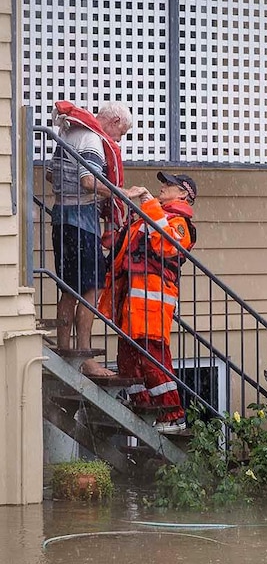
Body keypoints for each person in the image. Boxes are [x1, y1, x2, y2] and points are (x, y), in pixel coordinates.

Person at [100, 172, 198, 433]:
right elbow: (119, 248)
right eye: (163, 184)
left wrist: (147, 202)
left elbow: (169, 247)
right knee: (128, 360)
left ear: (184, 194)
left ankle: (173, 415)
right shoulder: (149, 216)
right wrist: (115, 213)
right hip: (131, 303)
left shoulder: (179, 223)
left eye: (169, 185)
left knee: (154, 359)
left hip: (152, 304)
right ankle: (141, 405)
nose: (162, 188)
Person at [47, 101, 133, 377]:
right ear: (115, 120)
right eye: (123, 132)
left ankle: (63, 348)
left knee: (69, 288)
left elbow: (51, 174)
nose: (119, 139)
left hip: (62, 218)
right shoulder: (93, 139)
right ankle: (85, 357)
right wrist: (121, 193)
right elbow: (88, 180)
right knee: (92, 288)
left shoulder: (70, 133)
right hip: (81, 221)